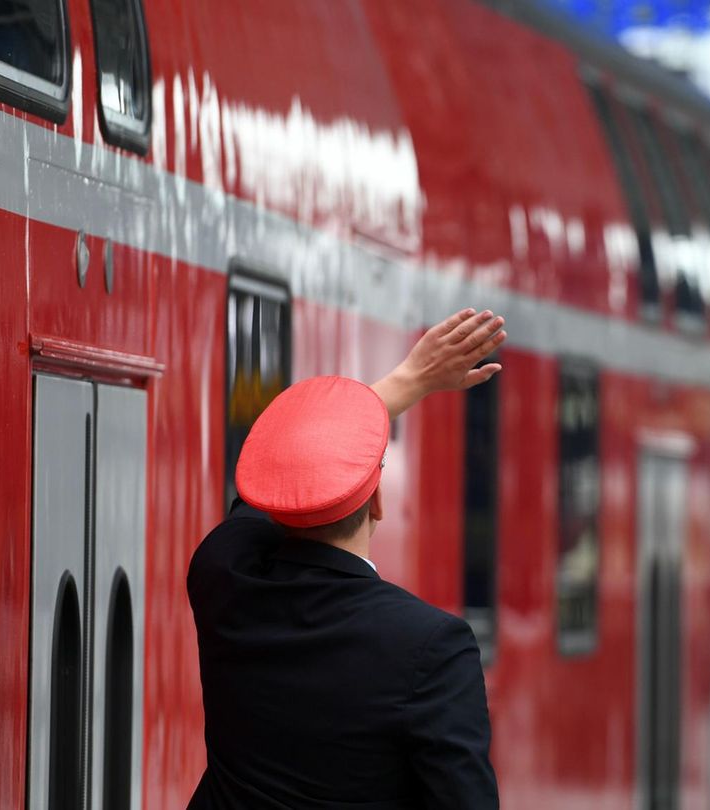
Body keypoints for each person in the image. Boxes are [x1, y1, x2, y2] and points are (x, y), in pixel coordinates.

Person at [187, 308, 507, 809]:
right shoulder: (431, 647)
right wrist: (416, 379)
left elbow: (274, 481)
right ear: (377, 500)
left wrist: (407, 380)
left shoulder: (224, 578)